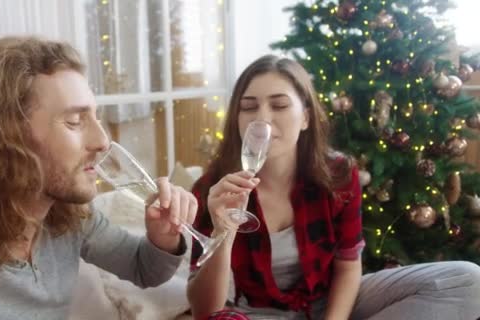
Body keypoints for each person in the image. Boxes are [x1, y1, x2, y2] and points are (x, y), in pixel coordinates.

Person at [0, 36, 197, 319]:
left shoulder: (71, 217)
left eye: (95, 117)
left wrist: (163, 235)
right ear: (4, 136)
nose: (102, 141)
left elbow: (143, 268)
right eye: (74, 121)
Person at [186, 55, 480, 320]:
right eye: (248, 107)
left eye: (279, 105)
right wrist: (222, 230)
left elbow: (348, 265)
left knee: (467, 280)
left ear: (305, 117)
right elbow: (205, 311)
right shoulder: (213, 188)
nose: (262, 117)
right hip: (253, 313)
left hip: (326, 302)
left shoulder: (338, 173)